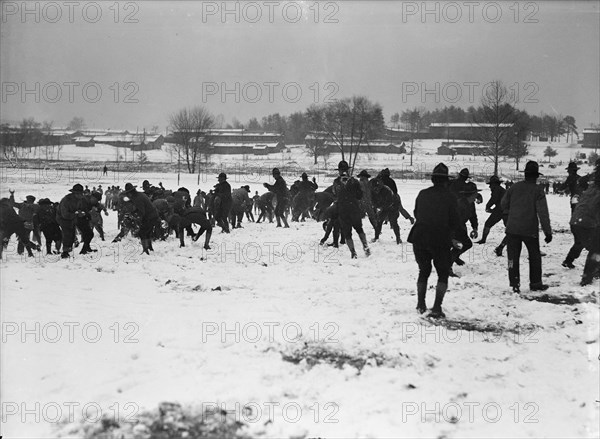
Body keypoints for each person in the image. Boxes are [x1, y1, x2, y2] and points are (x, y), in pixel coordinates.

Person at [407, 163, 460, 318]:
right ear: (446, 181)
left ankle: (420, 304)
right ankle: (437, 307)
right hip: (440, 239)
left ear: (432, 179)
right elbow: (455, 220)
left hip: (420, 237)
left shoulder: (422, 194)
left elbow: (417, 213)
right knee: (443, 273)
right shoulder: (450, 197)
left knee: (423, 271)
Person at [500, 161, 552, 293]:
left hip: (512, 229)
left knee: (512, 257)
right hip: (530, 230)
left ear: (525, 175)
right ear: (536, 176)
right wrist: (548, 232)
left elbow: (503, 204)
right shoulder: (538, 190)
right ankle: (535, 283)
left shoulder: (514, 188)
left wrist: (513, 212)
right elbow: (543, 213)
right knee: (534, 257)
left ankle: (514, 283)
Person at [566, 159, 600, 283]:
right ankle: (587, 278)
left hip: (577, 219)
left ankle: (591, 272)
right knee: (596, 249)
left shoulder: (592, 185)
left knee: (592, 247)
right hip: (587, 221)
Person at [332, 160, 370, 258]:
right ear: (348, 170)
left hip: (343, 211)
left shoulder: (336, 182)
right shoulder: (354, 181)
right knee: (359, 229)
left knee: (347, 233)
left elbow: (335, 194)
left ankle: (353, 252)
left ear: (339, 171)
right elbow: (359, 195)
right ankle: (365, 246)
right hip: (354, 209)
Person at [122, 183, 160, 254]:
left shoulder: (137, 198)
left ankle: (145, 250)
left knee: (142, 233)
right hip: (154, 215)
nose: (127, 195)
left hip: (149, 216)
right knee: (148, 232)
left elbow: (141, 211)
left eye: (128, 193)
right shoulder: (140, 194)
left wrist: (134, 217)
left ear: (130, 192)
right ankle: (150, 247)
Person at [56, 184, 87, 259]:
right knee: (67, 234)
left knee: (72, 234)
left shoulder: (81, 199)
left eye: (81, 193)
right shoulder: (66, 200)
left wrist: (81, 212)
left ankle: (68, 248)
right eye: (78, 194)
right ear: (74, 193)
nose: (80, 195)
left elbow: (81, 208)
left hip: (72, 218)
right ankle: (65, 252)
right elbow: (64, 214)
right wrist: (76, 214)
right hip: (63, 218)